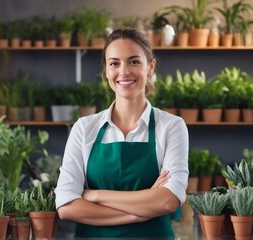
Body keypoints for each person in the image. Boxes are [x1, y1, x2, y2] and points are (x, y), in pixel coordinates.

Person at [55, 28, 189, 239]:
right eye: (114, 63)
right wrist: (140, 213)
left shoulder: (171, 126)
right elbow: (66, 206)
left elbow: (167, 201)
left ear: (150, 66)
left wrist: (95, 195)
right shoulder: (85, 127)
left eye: (134, 61)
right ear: (106, 71)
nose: (124, 72)